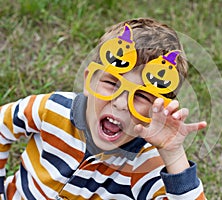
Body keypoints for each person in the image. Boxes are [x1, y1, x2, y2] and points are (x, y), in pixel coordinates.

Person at [0, 18, 207, 199]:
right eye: (111, 83)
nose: (120, 103)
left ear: (159, 110)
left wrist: (173, 155)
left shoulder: (145, 164)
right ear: (89, 79)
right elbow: (3, 125)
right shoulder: (51, 109)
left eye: (142, 96)